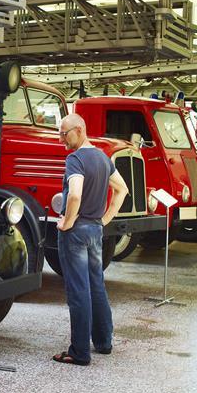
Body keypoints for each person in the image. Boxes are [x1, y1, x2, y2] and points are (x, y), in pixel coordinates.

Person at [52, 114, 129, 366]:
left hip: (76, 233)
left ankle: (80, 352)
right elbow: (122, 189)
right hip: (95, 231)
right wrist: (105, 220)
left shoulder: (75, 159)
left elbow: (74, 195)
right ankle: (104, 342)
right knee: (96, 286)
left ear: (80, 130)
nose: (61, 138)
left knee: (78, 291)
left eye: (65, 133)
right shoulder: (103, 158)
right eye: (60, 133)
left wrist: (68, 222)